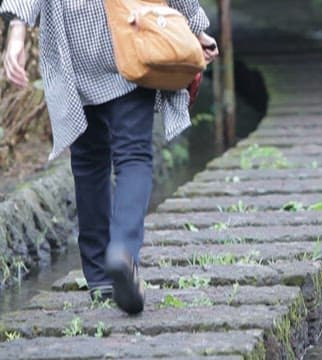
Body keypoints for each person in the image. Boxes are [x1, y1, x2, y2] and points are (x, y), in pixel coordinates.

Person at [1, 0, 218, 315]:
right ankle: (123, 252)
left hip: (73, 42)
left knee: (89, 163)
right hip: (130, 32)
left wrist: (17, 35)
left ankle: (100, 279)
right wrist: (195, 27)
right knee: (133, 157)